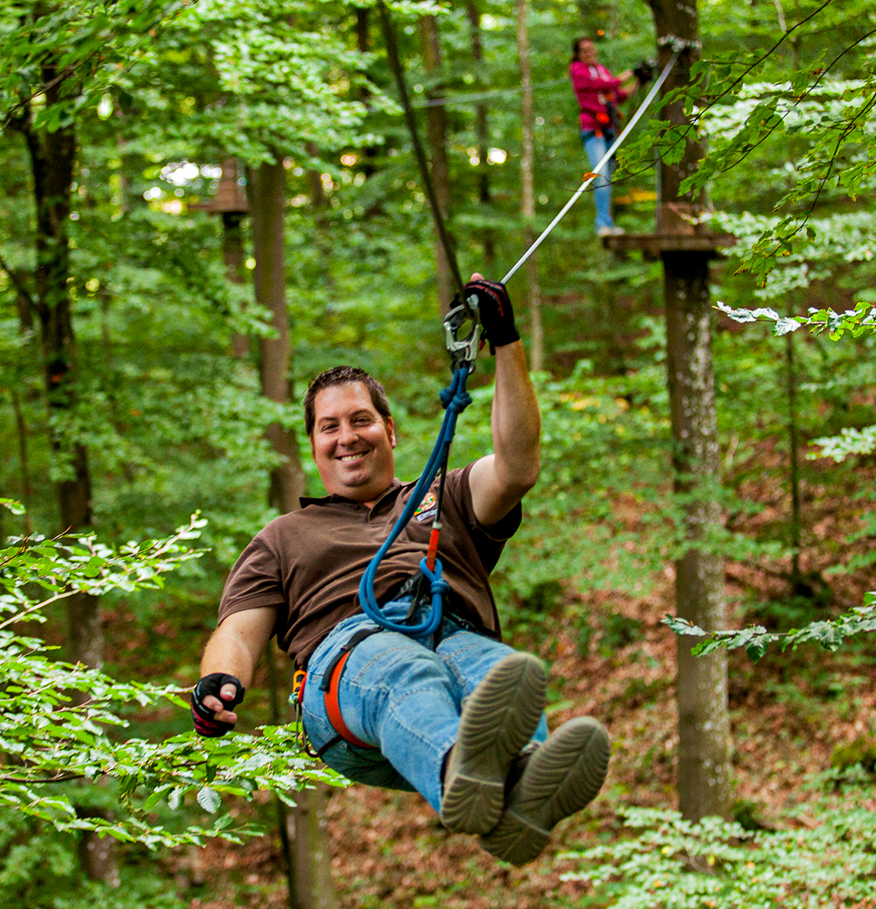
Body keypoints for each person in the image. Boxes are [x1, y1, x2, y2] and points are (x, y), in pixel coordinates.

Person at [191, 277, 610, 866]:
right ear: (312, 445)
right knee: (404, 668)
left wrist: (506, 342)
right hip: (347, 674)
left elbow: (516, 466)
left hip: (452, 636)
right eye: (328, 427)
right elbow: (238, 632)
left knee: (502, 671)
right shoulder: (283, 539)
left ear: (390, 430)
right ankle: (457, 775)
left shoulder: (446, 495)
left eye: (359, 420)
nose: (346, 438)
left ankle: (518, 802)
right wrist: (218, 683)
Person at [570, 37, 638, 237]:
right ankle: (602, 224)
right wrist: (628, 74)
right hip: (593, 129)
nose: (589, 53)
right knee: (599, 175)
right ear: (578, 54)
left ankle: (606, 222)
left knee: (607, 177)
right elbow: (603, 85)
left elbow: (618, 94)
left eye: (591, 49)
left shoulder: (601, 69)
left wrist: (637, 82)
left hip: (609, 129)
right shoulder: (578, 70)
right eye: (584, 50)